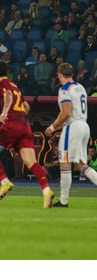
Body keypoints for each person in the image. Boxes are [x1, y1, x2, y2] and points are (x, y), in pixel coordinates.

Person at [0, 61, 54, 208]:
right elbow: (27, 106)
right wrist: (20, 118)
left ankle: (4, 182)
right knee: (31, 162)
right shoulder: (14, 85)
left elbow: (8, 96)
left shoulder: (1, 85)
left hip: (11, 125)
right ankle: (46, 191)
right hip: (24, 125)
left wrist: (5, 113)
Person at [44, 63, 97, 207]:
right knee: (81, 165)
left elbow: (66, 112)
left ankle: (63, 200)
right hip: (84, 126)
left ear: (60, 75)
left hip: (72, 128)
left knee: (65, 163)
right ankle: (63, 200)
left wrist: (52, 127)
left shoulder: (65, 89)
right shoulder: (81, 88)